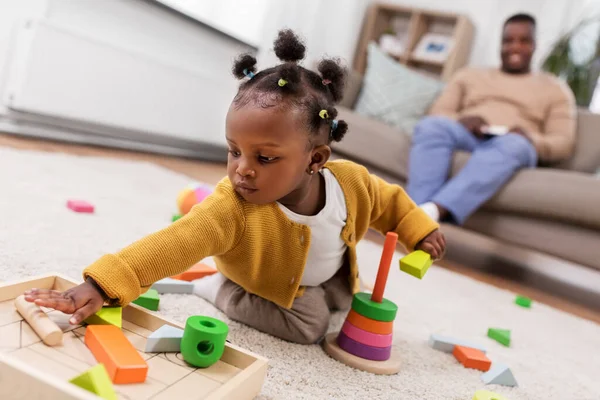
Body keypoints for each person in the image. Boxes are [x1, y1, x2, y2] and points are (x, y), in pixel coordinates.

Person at [23, 30, 446, 345]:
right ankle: (220, 289)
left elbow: (390, 202)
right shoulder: (233, 206)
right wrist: (102, 285)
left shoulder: (351, 182)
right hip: (265, 281)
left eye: (263, 158)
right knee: (312, 326)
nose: (241, 170)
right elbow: (174, 242)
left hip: (324, 272)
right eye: (233, 151)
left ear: (315, 160)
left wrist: (420, 230)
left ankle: (310, 289)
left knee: (346, 301)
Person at [407, 13, 577, 225]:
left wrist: (529, 137)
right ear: (500, 44)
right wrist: (463, 119)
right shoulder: (469, 75)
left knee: (516, 144)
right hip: (468, 136)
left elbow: (563, 143)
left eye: (523, 41)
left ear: (534, 45)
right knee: (431, 127)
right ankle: (412, 216)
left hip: (512, 145)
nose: (515, 47)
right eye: (508, 41)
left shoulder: (556, 89)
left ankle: (433, 212)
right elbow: (437, 113)